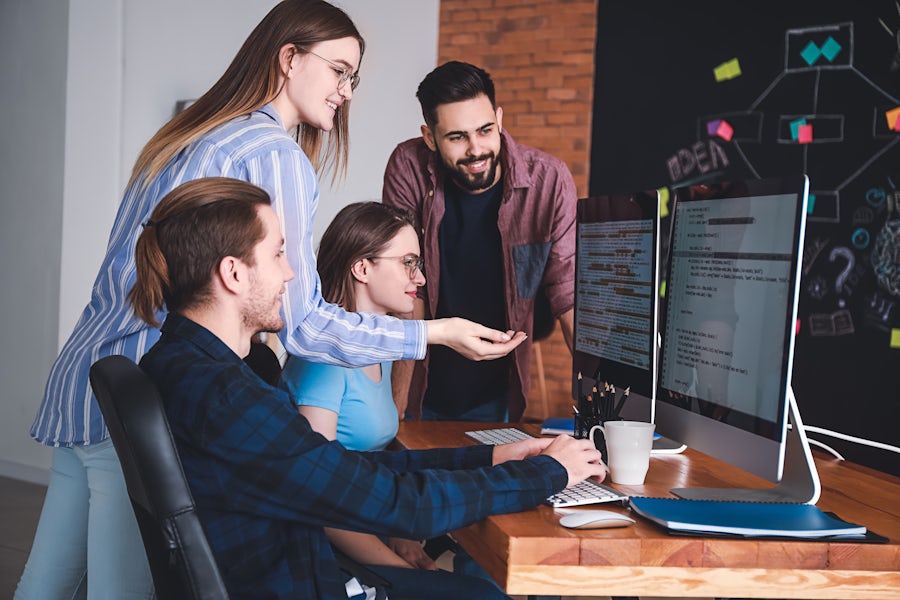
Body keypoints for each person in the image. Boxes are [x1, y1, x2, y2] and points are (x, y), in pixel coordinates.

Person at [17, 4, 523, 598]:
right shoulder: (272, 152)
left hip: (92, 377)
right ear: (289, 57)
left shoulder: (195, 135)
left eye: (352, 78)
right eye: (338, 70)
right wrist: (436, 332)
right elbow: (302, 323)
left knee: (45, 583)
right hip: (145, 389)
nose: (345, 91)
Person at [130, 176, 606, 599]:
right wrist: (549, 473)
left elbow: (340, 469)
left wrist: (491, 457)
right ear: (233, 273)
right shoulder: (229, 397)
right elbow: (400, 505)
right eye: (277, 253)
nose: (292, 274)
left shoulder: (185, 365)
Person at [281, 201, 500, 595]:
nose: (420, 278)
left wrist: (397, 536)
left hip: (365, 533)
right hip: (323, 553)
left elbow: (364, 473)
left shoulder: (378, 353)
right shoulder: (325, 363)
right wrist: (397, 565)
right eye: (408, 263)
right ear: (362, 268)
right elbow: (319, 500)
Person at [382, 60, 578, 424]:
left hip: (497, 390)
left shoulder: (549, 181)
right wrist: (396, 413)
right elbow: (406, 287)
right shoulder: (408, 166)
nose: (476, 150)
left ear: (499, 119)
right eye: (457, 137)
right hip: (419, 382)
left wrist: (607, 414)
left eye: (486, 130)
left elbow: (567, 294)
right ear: (430, 138)